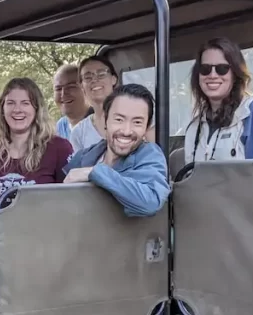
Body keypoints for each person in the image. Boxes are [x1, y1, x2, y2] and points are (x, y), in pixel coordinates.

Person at [63, 83, 170, 217]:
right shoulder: (84, 156)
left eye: (137, 122)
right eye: (119, 119)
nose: (126, 131)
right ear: (106, 121)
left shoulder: (150, 155)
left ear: (146, 128)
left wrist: (95, 172)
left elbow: (150, 202)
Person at [182, 37, 253, 163]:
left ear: (235, 73)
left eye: (222, 69)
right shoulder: (194, 126)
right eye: (205, 69)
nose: (212, 75)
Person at [0, 77, 74, 206]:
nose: (17, 109)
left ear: (36, 109)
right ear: (2, 109)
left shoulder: (59, 148)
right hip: (0, 225)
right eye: (11, 103)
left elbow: (71, 200)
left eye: (25, 103)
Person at [69, 55, 119, 153]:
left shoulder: (137, 116)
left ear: (114, 79)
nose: (95, 80)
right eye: (88, 77)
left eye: (101, 74)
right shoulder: (79, 132)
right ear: (81, 85)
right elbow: (78, 166)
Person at [53, 63, 92, 140]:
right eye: (58, 89)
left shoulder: (99, 123)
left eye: (71, 87)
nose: (63, 93)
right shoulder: (60, 127)